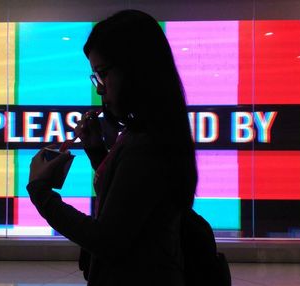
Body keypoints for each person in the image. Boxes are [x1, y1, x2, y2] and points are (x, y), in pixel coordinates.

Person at [27, 9, 197, 286]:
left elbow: (107, 240)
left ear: (136, 69)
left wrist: (40, 192)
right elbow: (132, 201)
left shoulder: (145, 143)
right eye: (95, 77)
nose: (100, 89)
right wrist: (97, 154)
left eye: (102, 73)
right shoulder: (154, 131)